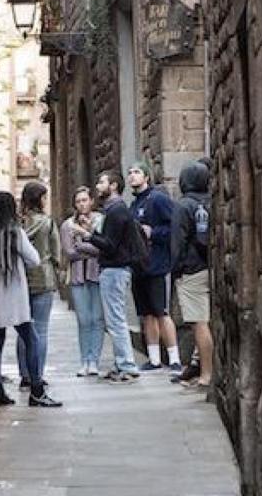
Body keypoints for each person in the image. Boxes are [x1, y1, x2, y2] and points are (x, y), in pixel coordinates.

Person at [0, 191, 62, 407]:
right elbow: (34, 259)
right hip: (14, 295)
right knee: (31, 339)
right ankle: (36, 389)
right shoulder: (15, 233)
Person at [82, 170, 141, 383]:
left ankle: (126, 365)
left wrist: (89, 236)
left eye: (102, 182)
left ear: (113, 186)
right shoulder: (114, 210)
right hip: (115, 270)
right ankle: (121, 363)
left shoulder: (116, 211)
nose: (98, 186)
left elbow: (110, 245)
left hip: (115, 270)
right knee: (115, 318)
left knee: (116, 319)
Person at [127, 161, 182, 372]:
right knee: (147, 314)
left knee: (161, 311)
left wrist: (154, 232)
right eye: (130, 172)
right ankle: (154, 359)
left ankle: (175, 359)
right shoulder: (133, 205)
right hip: (139, 267)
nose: (132, 176)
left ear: (146, 176)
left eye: (137, 172)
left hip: (157, 265)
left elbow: (174, 227)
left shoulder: (158, 199)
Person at [170, 162, 214, 390]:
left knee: (199, 323)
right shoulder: (211, 201)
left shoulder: (183, 205)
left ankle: (206, 375)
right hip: (209, 266)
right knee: (207, 322)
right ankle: (204, 369)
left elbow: (178, 241)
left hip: (191, 270)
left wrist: (176, 269)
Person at [17, 181, 61, 389]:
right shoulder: (47, 223)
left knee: (23, 329)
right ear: (40, 199)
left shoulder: (18, 224)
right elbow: (56, 253)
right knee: (41, 330)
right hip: (43, 277)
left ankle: (24, 374)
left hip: (21, 278)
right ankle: (38, 374)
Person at [60, 186, 104, 377]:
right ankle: (84, 360)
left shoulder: (101, 220)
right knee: (83, 320)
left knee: (97, 319)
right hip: (78, 277)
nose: (82, 204)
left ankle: (94, 360)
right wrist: (91, 246)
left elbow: (104, 248)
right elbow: (69, 252)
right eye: (78, 201)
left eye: (85, 200)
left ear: (91, 201)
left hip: (97, 275)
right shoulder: (67, 225)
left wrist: (83, 244)